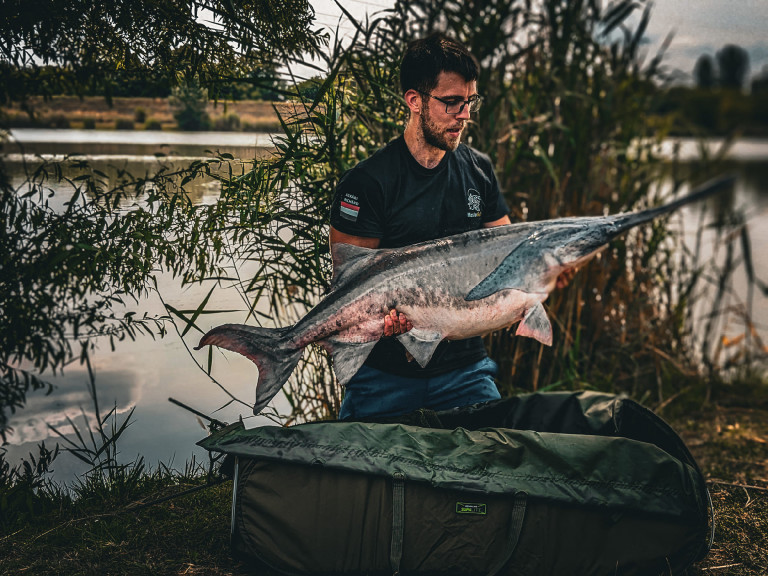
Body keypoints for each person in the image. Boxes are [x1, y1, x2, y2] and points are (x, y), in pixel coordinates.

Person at [329, 33, 570, 420]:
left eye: (469, 101)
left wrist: (550, 267)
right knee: (363, 478)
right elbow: (348, 286)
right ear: (414, 100)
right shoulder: (368, 182)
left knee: (491, 468)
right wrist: (381, 320)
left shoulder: (479, 170)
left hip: (465, 372)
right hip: (382, 378)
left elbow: (510, 259)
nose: (465, 115)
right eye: (451, 103)